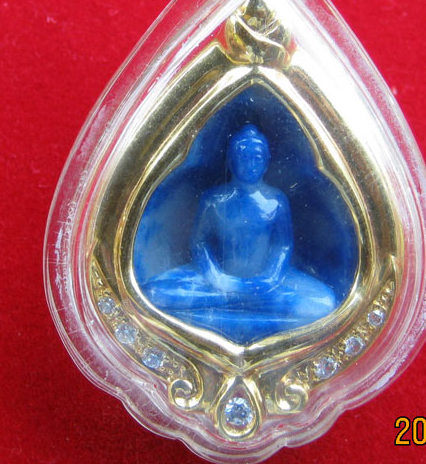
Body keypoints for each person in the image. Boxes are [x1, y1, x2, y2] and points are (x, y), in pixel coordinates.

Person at [141, 124, 336, 342]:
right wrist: (217, 278)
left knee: (324, 302)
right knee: (154, 292)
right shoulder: (214, 200)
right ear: (231, 160)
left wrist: (270, 278)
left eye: (256, 158)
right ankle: (238, 302)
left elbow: (282, 245)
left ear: (266, 161)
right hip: (218, 283)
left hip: (266, 286)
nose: (250, 164)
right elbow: (200, 243)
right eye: (243, 157)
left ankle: (231, 304)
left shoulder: (275, 201)